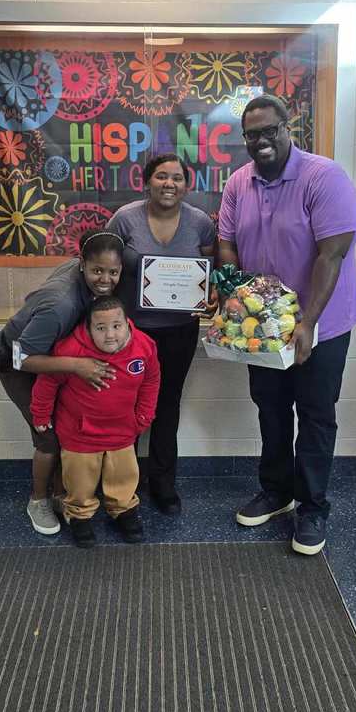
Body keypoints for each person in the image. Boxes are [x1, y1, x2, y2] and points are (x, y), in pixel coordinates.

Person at [218, 93, 356, 556]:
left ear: (287, 128)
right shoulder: (238, 183)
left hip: (322, 323)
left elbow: (331, 255)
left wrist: (308, 322)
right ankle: (276, 491)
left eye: (269, 131)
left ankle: (312, 507)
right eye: (251, 135)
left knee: (316, 414)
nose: (260, 140)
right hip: (262, 326)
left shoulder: (325, 177)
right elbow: (226, 243)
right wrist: (235, 301)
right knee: (271, 408)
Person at [0, 230, 125, 537]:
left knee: (64, 425)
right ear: (82, 264)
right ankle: (38, 501)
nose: (105, 279)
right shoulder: (60, 305)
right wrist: (77, 365)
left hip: (49, 354)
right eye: (97, 271)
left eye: (113, 272)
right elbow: (21, 359)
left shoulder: (84, 274)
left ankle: (58, 493)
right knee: (48, 436)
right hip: (17, 361)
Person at [107, 154, 217, 515]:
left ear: (187, 185)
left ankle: (163, 484)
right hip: (132, 333)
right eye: (161, 176)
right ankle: (122, 485)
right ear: (146, 182)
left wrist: (211, 294)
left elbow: (211, 268)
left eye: (177, 178)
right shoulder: (125, 219)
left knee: (168, 404)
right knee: (126, 404)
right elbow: (103, 264)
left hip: (180, 331)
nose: (169, 183)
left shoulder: (200, 223)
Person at [30, 296, 160, 549]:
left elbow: (151, 381)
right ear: (88, 329)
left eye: (116, 326)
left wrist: (144, 416)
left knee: (123, 476)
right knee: (79, 481)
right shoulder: (70, 350)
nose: (110, 335)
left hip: (123, 431)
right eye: (101, 328)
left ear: (127, 324)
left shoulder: (144, 346)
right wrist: (41, 415)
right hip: (80, 434)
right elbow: (47, 382)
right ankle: (79, 515)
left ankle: (123, 510)